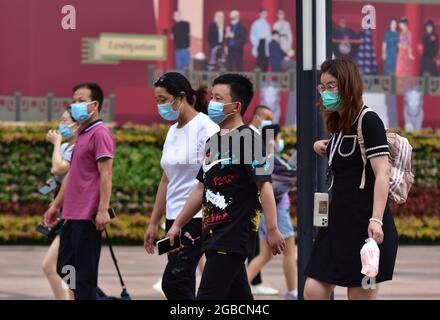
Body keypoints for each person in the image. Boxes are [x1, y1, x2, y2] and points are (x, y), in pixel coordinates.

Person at [167, 73, 285, 300]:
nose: (212, 103)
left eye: (218, 98)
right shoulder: (214, 142)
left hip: (233, 236)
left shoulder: (249, 139)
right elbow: (201, 190)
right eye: (212, 97)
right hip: (212, 234)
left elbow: (265, 185)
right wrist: (177, 225)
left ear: (236, 106)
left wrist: (272, 229)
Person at [304, 59, 398, 300]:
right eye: (322, 87)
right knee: (313, 290)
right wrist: (322, 146)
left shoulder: (369, 120)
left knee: (358, 295)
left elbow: (382, 173)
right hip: (336, 222)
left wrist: (376, 220)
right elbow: (348, 160)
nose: (326, 92)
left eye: (331, 86)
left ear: (348, 85)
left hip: (365, 224)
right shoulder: (339, 123)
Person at [144, 72, 219, 300]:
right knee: (183, 284)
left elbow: (213, 177)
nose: (160, 106)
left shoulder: (206, 127)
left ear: (181, 97)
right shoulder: (172, 131)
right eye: (157, 100)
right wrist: (154, 222)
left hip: (197, 218)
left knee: (173, 282)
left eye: (164, 99)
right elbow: (166, 180)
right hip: (173, 218)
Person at [44, 83, 116, 300]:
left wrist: (103, 209)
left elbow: (106, 175)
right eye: (73, 101)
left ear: (95, 105)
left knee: (84, 277)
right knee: (65, 266)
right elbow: (72, 176)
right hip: (71, 216)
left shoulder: (100, 134)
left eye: (80, 100)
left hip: (88, 216)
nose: (75, 105)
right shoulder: (82, 136)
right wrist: (55, 206)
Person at [247, 124, 298, 300]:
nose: (280, 141)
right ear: (272, 139)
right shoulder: (273, 159)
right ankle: (292, 292)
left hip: (263, 213)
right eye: (278, 137)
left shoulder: (261, 158)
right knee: (290, 252)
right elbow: (293, 173)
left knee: (264, 255)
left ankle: (239, 289)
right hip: (277, 212)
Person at [41, 109, 77, 300]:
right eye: (60, 120)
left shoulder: (75, 148)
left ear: (77, 124)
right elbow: (58, 177)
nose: (61, 124)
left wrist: (56, 144)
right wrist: (48, 188)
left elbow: (58, 168)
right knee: (68, 267)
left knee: (50, 266)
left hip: (73, 216)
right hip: (63, 214)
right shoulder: (65, 147)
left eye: (65, 120)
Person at [247, 105, 279, 296]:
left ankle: (254, 281)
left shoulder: (260, 138)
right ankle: (251, 281)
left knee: (255, 245)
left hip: (257, 203)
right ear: (256, 117)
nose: (269, 122)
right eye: (266, 118)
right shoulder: (250, 138)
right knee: (254, 246)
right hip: (252, 203)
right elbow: (264, 178)